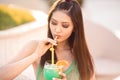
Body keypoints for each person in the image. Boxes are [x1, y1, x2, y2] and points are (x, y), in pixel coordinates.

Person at [0, 0, 95, 80]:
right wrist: (36, 55)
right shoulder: (35, 46)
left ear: (75, 27)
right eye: (53, 23)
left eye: (65, 25)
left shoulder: (83, 57)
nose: (57, 30)